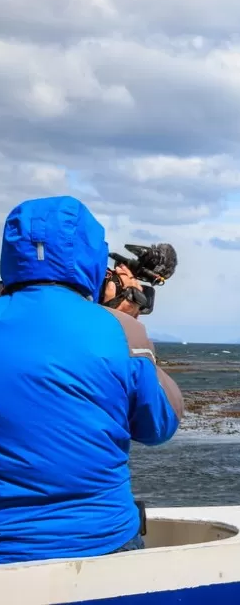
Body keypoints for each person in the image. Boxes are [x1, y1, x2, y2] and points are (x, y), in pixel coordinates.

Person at [0, 195, 184, 565]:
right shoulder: (120, 331)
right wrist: (129, 325)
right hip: (98, 540)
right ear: (92, 256)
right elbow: (160, 424)